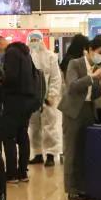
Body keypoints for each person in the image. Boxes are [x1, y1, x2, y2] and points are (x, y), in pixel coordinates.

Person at [58, 36, 101, 200]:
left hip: (89, 109)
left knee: (85, 150)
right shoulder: (75, 63)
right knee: (72, 150)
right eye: (99, 52)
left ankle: (84, 187)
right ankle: (72, 189)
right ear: (89, 49)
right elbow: (72, 86)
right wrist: (92, 77)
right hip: (73, 111)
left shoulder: (97, 68)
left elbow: (93, 94)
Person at [0, 41, 40, 184]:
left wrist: (0, 80)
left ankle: (11, 174)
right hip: (28, 101)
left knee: (9, 137)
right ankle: (23, 172)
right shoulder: (26, 54)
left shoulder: (11, 53)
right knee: (23, 136)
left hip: (14, 100)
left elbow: (11, 77)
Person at [27, 32, 62, 167]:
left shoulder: (51, 57)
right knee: (34, 127)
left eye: (36, 39)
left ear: (41, 41)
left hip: (47, 98)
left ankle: (51, 154)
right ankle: (37, 154)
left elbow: (55, 78)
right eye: (32, 40)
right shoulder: (27, 57)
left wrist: (52, 95)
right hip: (32, 98)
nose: (34, 42)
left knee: (49, 127)